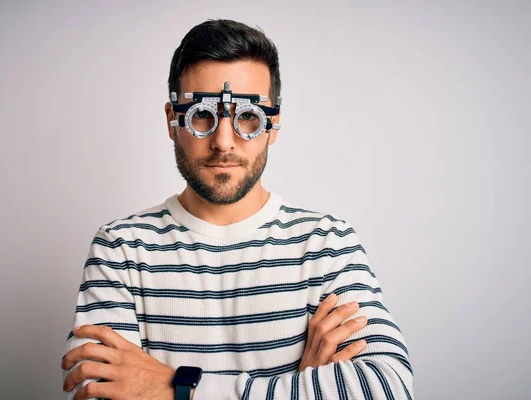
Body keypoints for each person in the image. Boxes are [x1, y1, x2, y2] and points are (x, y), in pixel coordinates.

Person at [61, 19, 413, 400]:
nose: (223, 142)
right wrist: (299, 385)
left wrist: (175, 388)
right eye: (202, 114)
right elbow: (96, 392)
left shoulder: (326, 243)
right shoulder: (121, 248)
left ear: (272, 124)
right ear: (171, 121)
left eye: (248, 116)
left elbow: (386, 387)